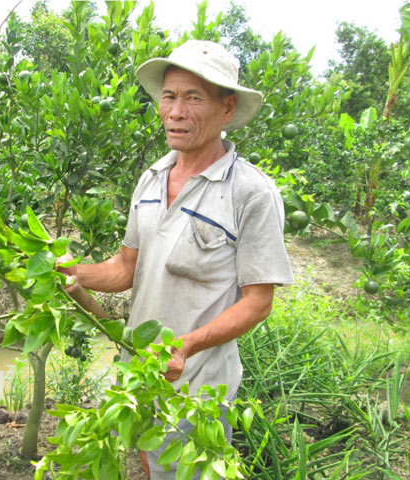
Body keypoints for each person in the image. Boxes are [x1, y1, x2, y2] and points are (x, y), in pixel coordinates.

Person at [59, 40, 294, 479]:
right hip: (141, 375)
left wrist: (187, 345)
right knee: (150, 465)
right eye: (169, 96)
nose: (176, 111)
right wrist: (77, 274)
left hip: (198, 387)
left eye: (193, 98)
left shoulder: (251, 191)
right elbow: (126, 268)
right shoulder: (150, 178)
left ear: (227, 109)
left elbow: (258, 301)